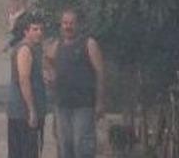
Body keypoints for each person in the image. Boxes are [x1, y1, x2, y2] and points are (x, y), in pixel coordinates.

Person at [44, 8, 106, 158]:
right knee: (65, 147)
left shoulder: (89, 44)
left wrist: (100, 102)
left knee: (82, 147)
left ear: (78, 25)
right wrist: (50, 78)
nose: (68, 26)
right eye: (65, 23)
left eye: (71, 23)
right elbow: (47, 66)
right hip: (62, 105)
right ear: (61, 25)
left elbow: (100, 74)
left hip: (84, 105)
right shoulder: (55, 46)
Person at [8, 12, 47, 158]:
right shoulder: (25, 49)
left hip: (21, 112)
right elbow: (24, 80)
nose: (39, 33)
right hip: (22, 112)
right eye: (35, 29)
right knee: (26, 153)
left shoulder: (35, 49)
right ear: (26, 31)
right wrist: (31, 110)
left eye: (41, 29)